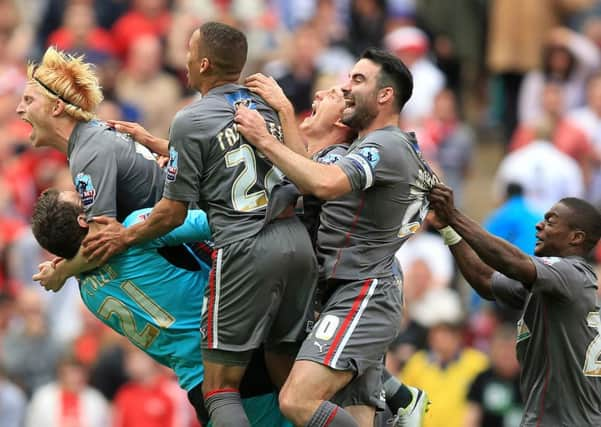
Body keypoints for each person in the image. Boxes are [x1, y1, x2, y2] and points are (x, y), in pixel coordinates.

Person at [82, 22, 318, 427]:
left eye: (189, 53)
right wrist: (163, 147)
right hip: (296, 244)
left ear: (204, 63)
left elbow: (174, 212)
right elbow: (296, 168)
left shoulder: (190, 119)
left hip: (245, 252)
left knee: (219, 389)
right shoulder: (264, 105)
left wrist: (126, 236)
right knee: (292, 385)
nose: (185, 60)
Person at [234, 47, 437, 427]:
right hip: (350, 290)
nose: (346, 88)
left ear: (385, 95)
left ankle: (402, 399)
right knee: (355, 418)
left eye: (357, 80)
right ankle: (401, 400)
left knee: (296, 400)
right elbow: (311, 175)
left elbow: (323, 183)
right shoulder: (369, 146)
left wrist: (264, 139)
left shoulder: (386, 144)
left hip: (363, 293)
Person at [30, 188, 292, 426]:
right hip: (235, 355)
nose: (91, 199)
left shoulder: (88, 293)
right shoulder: (136, 230)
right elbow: (221, 221)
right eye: (82, 200)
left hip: (197, 385)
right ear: (83, 220)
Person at [428, 182, 601, 426]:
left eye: (551, 222)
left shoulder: (572, 275)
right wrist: (448, 229)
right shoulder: (551, 286)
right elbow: (485, 280)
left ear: (576, 237)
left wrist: (455, 216)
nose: (539, 225)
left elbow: (512, 261)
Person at [15, 46, 165, 291]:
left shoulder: (89, 151)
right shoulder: (89, 140)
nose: (19, 109)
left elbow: (102, 242)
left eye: (29, 100)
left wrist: (60, 273)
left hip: (201, 241)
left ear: (56, 108)